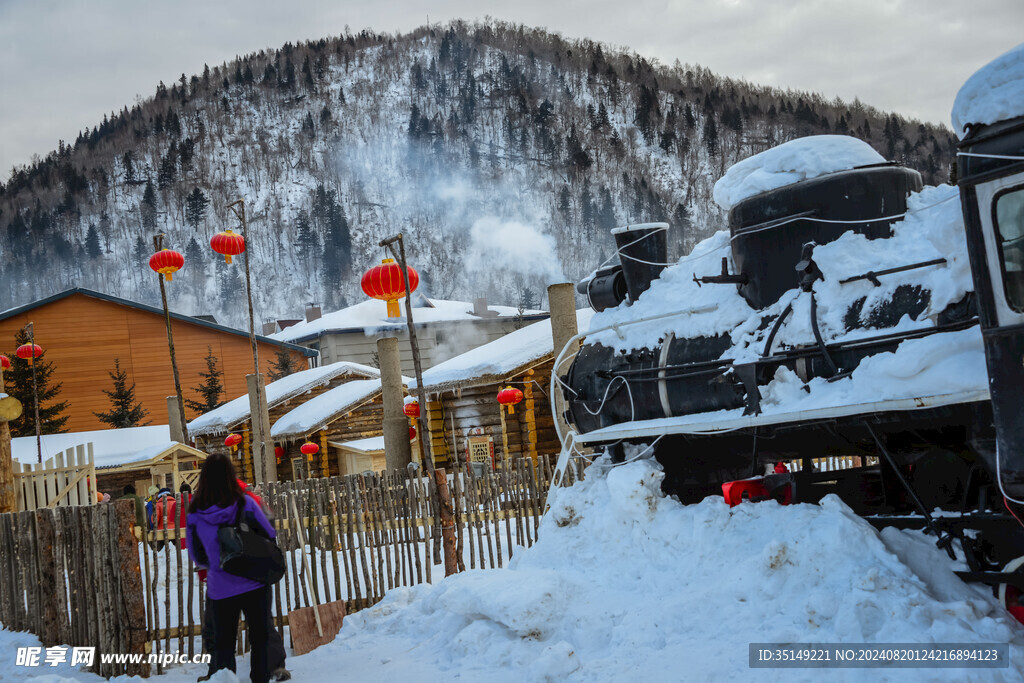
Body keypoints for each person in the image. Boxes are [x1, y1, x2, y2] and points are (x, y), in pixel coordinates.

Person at [187, 454, 275, 683]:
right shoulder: (245, 502)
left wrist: (217, 562)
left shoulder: (195, 512)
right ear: (230, 474)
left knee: (224, 644)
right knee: (260, 639)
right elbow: (269, 533)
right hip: (255, 580)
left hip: (221, 588)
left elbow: (197, 555)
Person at [199, 479, 290, 682]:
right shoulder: (255, 502)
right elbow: (270, 535)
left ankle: (220, 675)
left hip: (223, 582)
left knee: (217, 632)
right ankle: (273, 668)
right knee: (263, 627)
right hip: (255, 578)